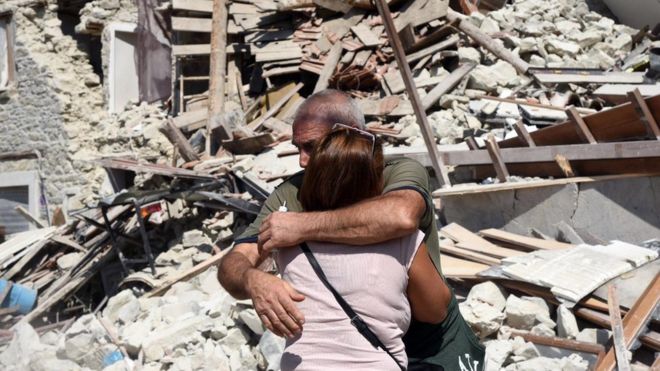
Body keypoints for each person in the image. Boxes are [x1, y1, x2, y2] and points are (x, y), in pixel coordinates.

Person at [218, 89, 484, 370]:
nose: (302, 160)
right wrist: (253, 280)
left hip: (428, 340)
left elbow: (400, 216)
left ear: (351, 135)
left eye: (311, 146)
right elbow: (235, 262)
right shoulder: (291, 193)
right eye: (298, 147)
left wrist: (301, 226)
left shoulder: (398, 171)